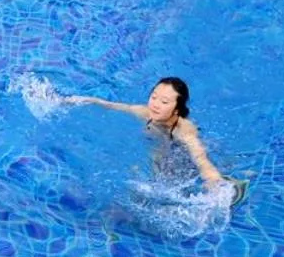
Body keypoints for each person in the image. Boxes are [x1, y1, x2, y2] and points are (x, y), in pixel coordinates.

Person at [65, 77, 231, 192]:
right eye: (154, 97)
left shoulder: (185, 130)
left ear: (177, 109)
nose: (156, 105)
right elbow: (112, 106)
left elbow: (200, 158)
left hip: (180, 150)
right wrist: (84, 100)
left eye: (164, 102)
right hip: (159, 142)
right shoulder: (144, 112)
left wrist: (213, 180)